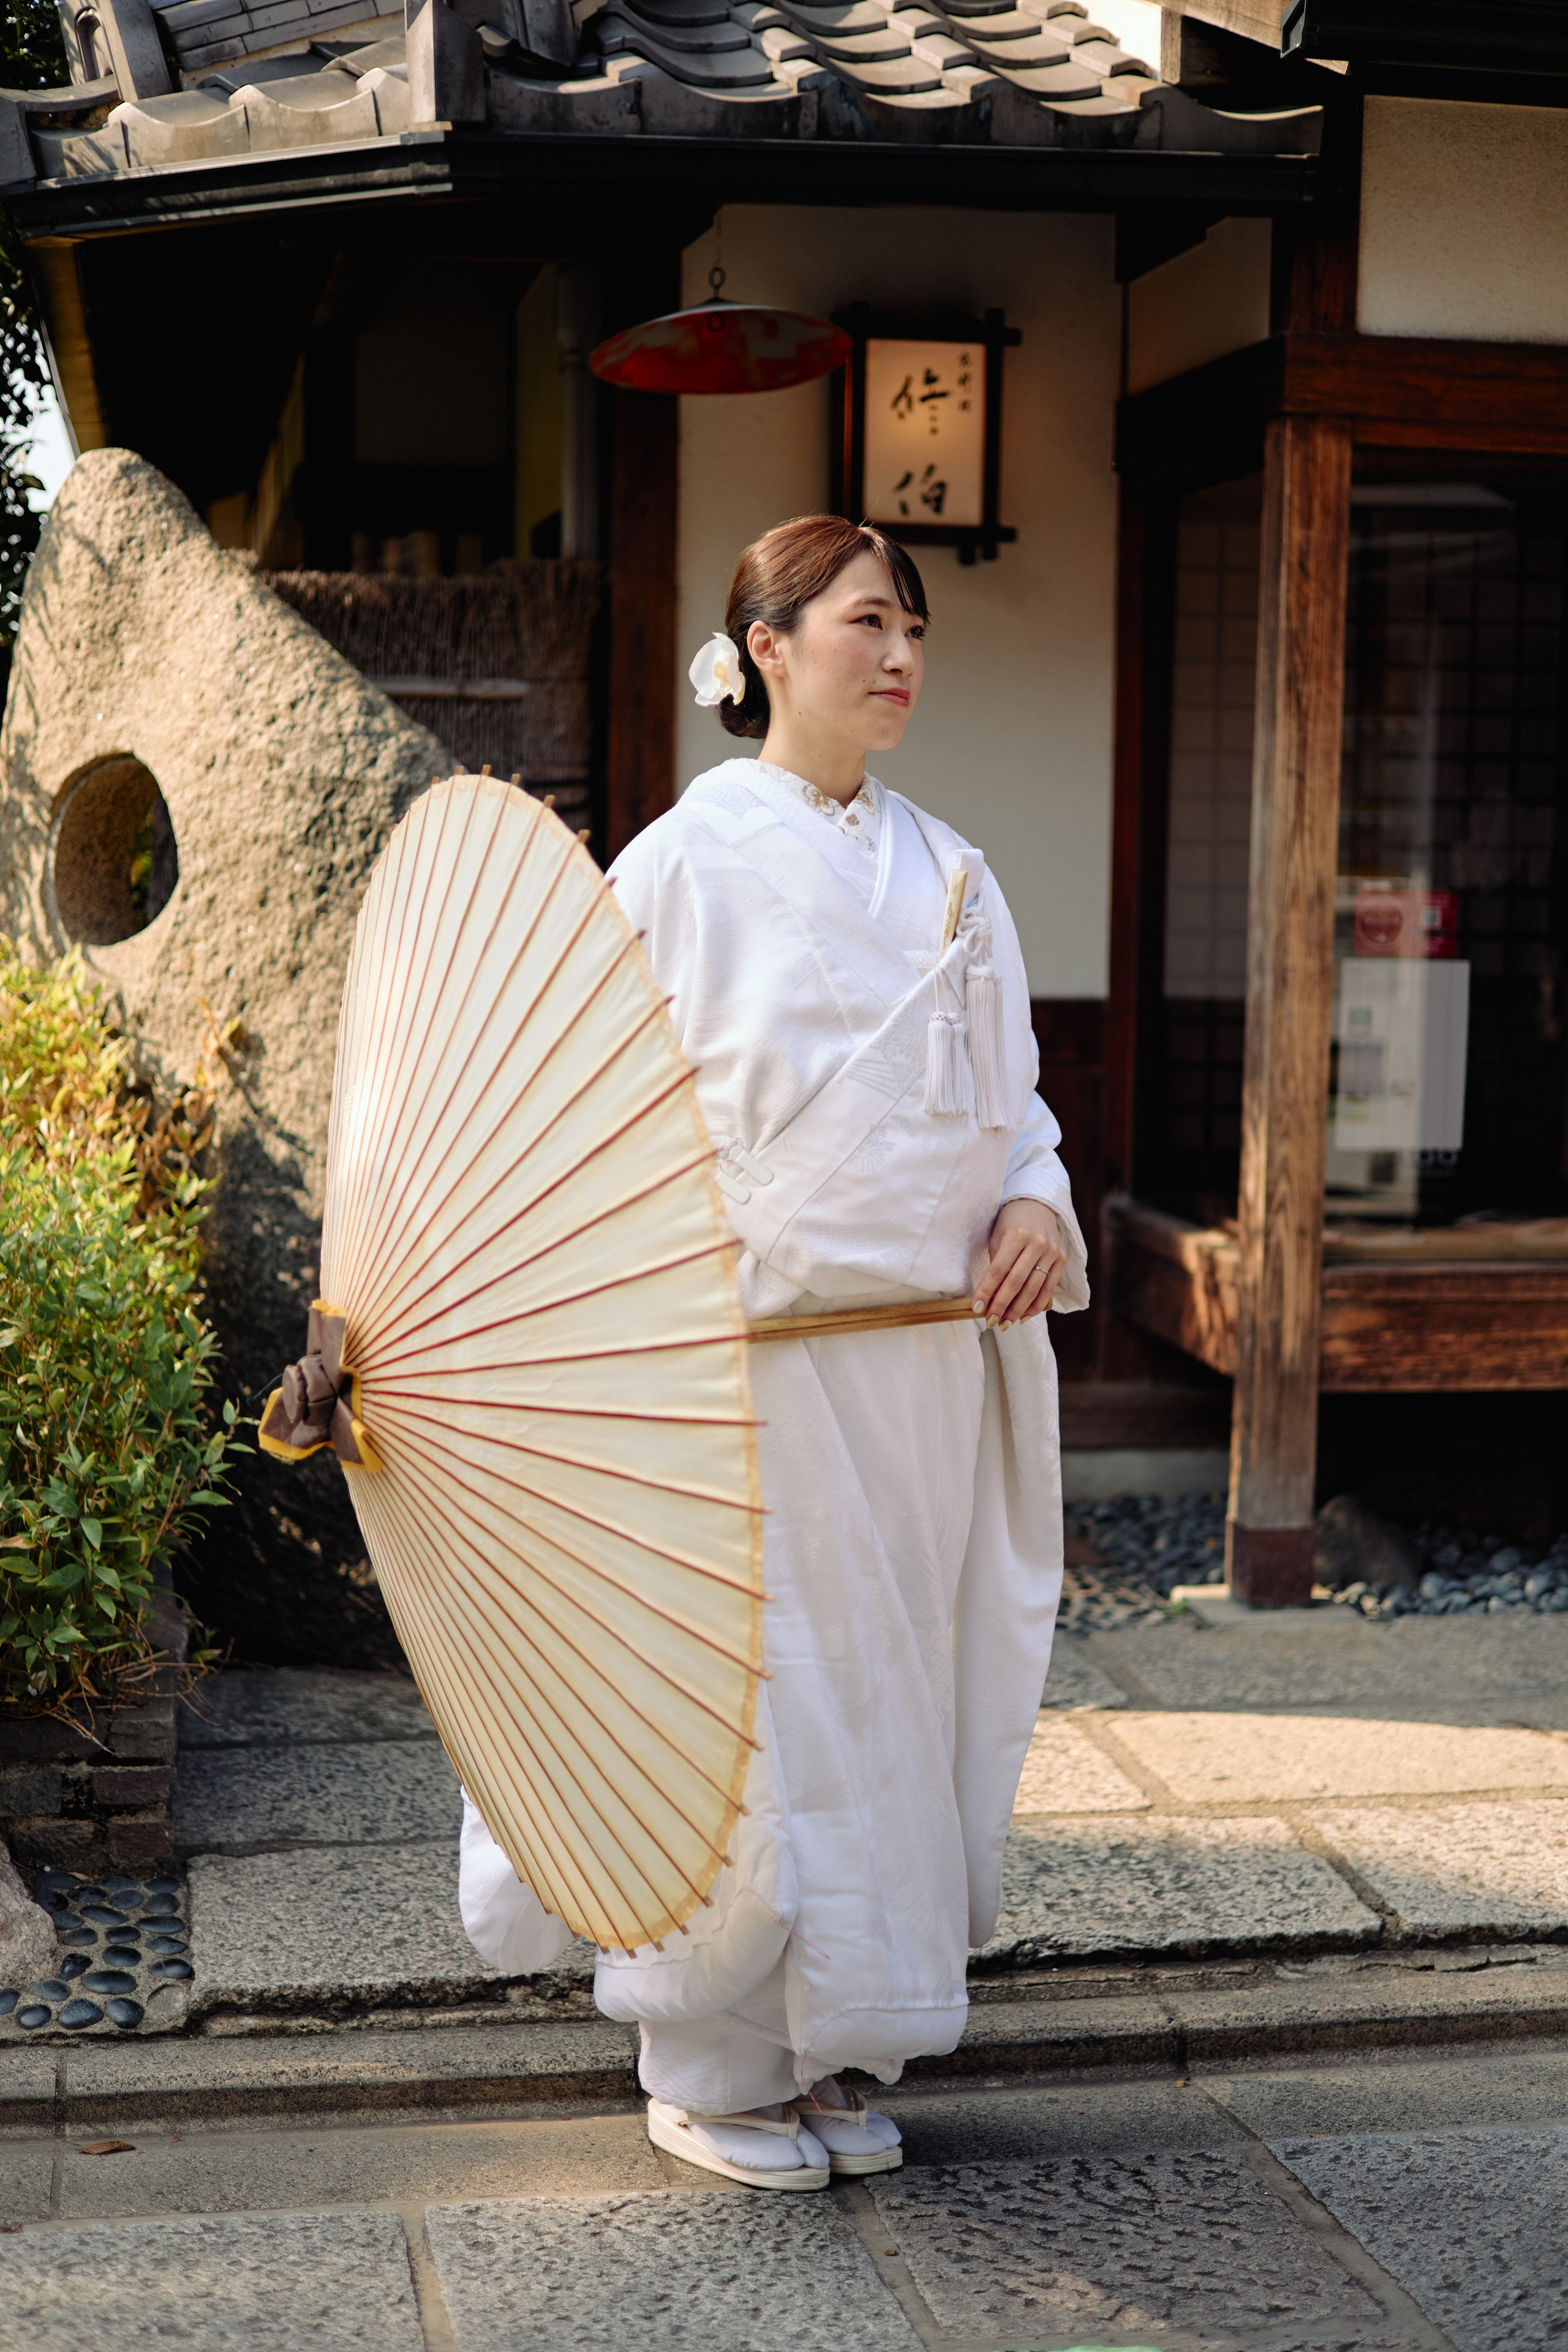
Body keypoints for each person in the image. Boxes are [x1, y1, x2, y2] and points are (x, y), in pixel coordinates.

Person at [459, 514, 1087, 2191]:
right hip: (741, 1370)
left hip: (917, 1375)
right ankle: (710, 2054)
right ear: (764, 651)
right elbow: (569, 1111)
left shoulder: (958, 874)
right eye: (866, 621)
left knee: (892, 1689)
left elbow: (1015, 1108)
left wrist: (1038, 1203)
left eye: (916, 628)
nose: (900, 655)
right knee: (759, 1702)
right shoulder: (678, 864)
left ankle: (840, 2045)